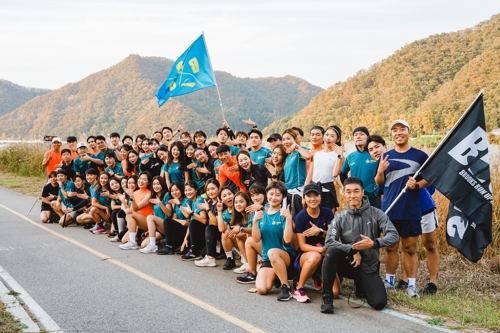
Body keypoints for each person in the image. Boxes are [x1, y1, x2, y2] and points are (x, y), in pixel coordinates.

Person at [320, 177, 399, 313]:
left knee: (379, 303)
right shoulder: (339, 217)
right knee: (331, 252)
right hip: (348, 263)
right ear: (343, 193)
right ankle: (327, 298)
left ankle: (361, 286)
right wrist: (352, 250)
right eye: (348, 192)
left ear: (362, 192)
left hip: (368, 266)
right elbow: (329, 241)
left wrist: (374, 243)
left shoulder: (376, 213)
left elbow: (394, 235)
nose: (352, 195)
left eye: (356, 191)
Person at [374, 120, 429, 297]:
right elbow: (379, 183)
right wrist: (380, 170)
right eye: (395, 130)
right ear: (391, 134)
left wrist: (417, 185)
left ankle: (411, 285)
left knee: (410, 248)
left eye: (402, 129)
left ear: (408, 132)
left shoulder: (420, 156)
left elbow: (429, 179)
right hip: (389, 208)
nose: (398, 133)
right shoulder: (386, 156)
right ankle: (389, 281)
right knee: (390, 247)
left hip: (411, 209)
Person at [293, 183, 337, 303]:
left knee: (335, 292)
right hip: (307, 255)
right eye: (309, 196)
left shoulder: (327, 213)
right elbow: (302, 246)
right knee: (315, 256)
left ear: (320, 197)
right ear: (304, 198)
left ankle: (316, 275)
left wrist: (320, 231)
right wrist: (320, 250)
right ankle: (299, 287)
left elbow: (333, 237)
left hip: (326, 254)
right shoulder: (300, 217)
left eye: (316, 195)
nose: (312, 199)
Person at [252, 181, 295, 301]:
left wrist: (289, 218)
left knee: (273, 252)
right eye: (271, 194)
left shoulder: (284, 214)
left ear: (283, 197)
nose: (274, 198)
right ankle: (276, 276)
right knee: (261, 289)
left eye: (278, 195)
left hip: (284, 256)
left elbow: (287, 239)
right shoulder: (261, 215)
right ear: (266, 194)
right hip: (268, 258)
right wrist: (255, 222)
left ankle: (285, 287)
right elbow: (256, 239)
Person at [337, 126, 381, 208]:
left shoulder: (374, 154)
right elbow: (342, 173)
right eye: (356, 135)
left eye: (361, 134)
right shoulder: (350, 157)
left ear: (367, 137)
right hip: (356, 197)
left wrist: (379, 191)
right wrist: (349, 189)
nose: (358, 136)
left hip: (373, 197)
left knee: (374, 220)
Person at [305, 125, 344, 213]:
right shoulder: (317, 154)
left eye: (332, 136)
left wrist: (340, 155)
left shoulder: (339, 156)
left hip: (328, 189)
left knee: (328, 219)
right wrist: (305, 192)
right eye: (326, 135)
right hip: (314, 188)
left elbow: (335, 173)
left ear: (338, 139)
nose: (328, 138)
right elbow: (310, 175)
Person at [236, 183, 267, 283]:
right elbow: (253, 231)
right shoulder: (253, 211)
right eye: (252, 195)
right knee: (247, 237)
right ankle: (251, 269)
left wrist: (261, 208)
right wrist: (241, 229)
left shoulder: (268, 205)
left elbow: (276, 213)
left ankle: (255, 272)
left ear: (265, 194)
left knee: (249, 240)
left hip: (275, 246)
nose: (255, 198)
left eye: (257, 194)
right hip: (263, 245)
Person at [119, 172, 154, 250]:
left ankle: (132, 242)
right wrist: (123, 201)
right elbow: (131, 209)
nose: (141, 181)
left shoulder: (149, 193)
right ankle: (133, 240)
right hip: (138, 220)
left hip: (147, 220)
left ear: (148, 182)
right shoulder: (135, 192)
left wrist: (131, 197)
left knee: (131, 214)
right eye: (140, 179)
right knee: (123, 240)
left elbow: (135, 209)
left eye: (144, 179)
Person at [157, 181, 192, 254]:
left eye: (176, 190)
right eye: (172, 191)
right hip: (180, 227)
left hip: (187, 229)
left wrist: (179, 204)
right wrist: (180, 221)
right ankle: (170, 245)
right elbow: (174, 218)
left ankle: (169, 246)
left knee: (167, 221)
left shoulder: (187, 201)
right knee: (163, 241)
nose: (174, 192)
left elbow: (187, 215)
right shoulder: (176, 202)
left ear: (181, 190)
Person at [195, 179, 222, 267]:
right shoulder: (209, 203)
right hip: (215, 232)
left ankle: (211, 258)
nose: (210, 192)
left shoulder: (221, 202)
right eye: (208, 190)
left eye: (213, 189)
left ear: (218, 188)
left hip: (223, 232)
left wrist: (208, 209)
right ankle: (216, 253)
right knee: (203, 253)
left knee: (210, 228)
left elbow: (215, 223)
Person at [139, 176, 170, 253]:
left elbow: (169, 213)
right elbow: (156, 216)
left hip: (166, 225)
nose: (156, 186)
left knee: (150, 217)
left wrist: (160, 203)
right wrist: (150, 231)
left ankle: (153, 245)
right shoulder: (154, 196)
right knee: (143, 245)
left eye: (158, 184)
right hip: (159, 228)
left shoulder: (166, 195)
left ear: (162, 184)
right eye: (154, 184)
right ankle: (156, 243)